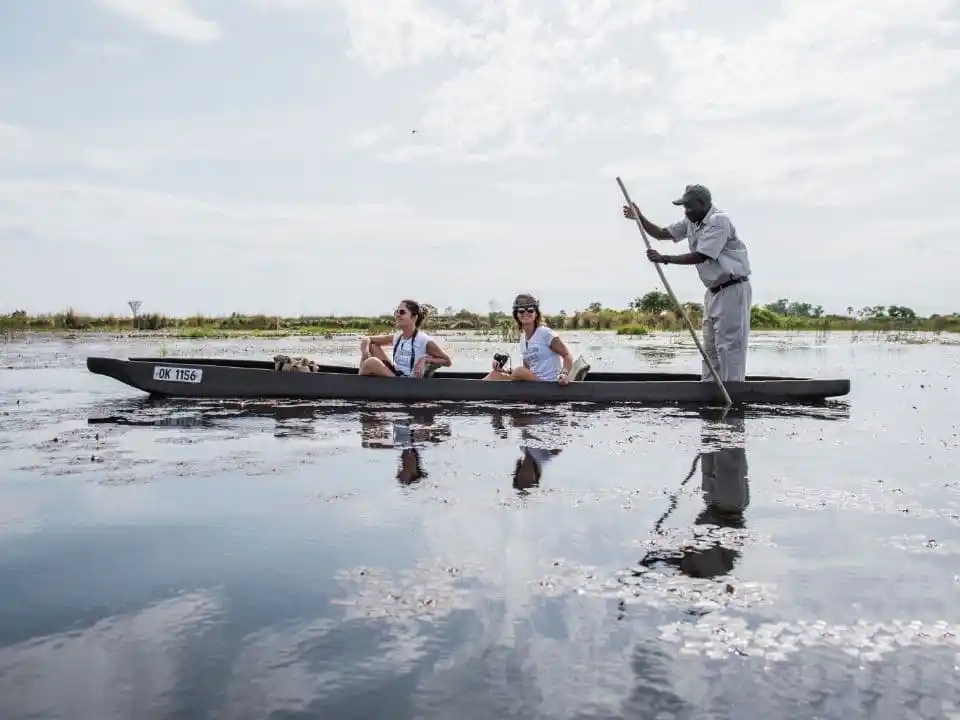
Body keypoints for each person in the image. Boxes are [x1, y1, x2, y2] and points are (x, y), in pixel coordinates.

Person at [622, 183, 752, 383]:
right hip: (713, 291)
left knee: (729, 347)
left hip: (732, 289)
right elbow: (661, 233)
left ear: (703, 204)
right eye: (685, 207)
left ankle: (734, 393)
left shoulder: (719, 221)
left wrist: (665, 258)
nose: (687, 211)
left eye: (690, 207)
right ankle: (709, 390)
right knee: (710, 347)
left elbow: (701, 256)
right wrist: (639, 218)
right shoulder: (692, 222)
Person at [483, 293, 574, 384]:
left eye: (530, 310)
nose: (526, 313)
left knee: (519, 371)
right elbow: (527, 370)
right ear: (517, 315)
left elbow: (567, 355)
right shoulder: (523, 339)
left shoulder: (545, 333)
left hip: (549, 384)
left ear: (536, 314)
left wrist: (564, 373)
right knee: (495, 374)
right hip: (533, 384)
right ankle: (473, 391)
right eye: (521, 311)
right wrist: (506, 371)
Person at [358, 299, 452, 378]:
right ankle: (361, 379)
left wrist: (425, 359)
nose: (397, 315)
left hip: (407, 381)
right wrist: (365, 352)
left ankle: (357, 383)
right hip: (396, 374)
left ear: (414, 317)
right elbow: (367, 339)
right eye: (396, 312)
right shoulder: (397, 337)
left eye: (402, 312)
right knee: (372, 346)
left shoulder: (424, 340)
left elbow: (447, 361)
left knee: (371, 362)